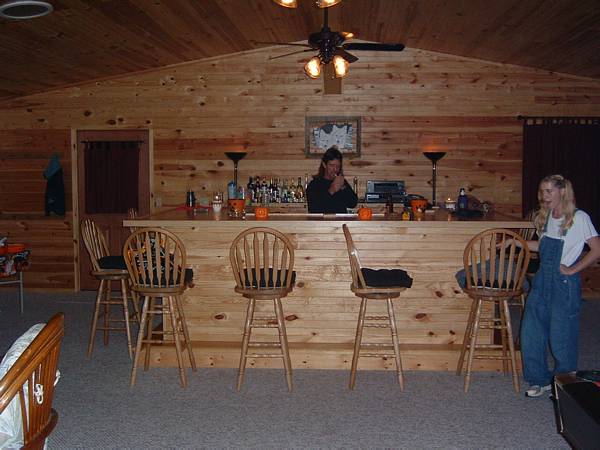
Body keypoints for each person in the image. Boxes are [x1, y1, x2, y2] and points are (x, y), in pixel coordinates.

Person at [517, 175, 600, 397]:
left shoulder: (579, 218)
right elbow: (542, 246)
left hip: (564, 284)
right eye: (542, 191)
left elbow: (597, 249)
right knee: (531, 333)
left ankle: (564, 386)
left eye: (549, 191)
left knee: (562, 337)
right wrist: (517, 242)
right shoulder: (546, 217)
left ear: (562, 191)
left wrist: (573, 269)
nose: (544, 196)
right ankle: (539, 380)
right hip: (541, 280)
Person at [306, 146, 358, 213]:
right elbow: (314, 209)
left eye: (338, 166)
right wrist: (331, 190)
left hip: (341, 219)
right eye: (332, 165)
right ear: (324, 165)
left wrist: (343, 187)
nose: (335, 169)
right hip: (322, 220)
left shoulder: (341, 182)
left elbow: (353, 203)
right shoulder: (314, 184)